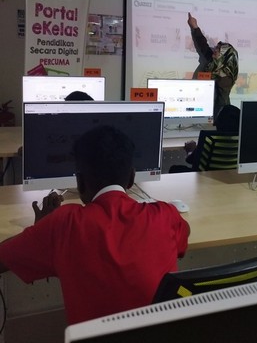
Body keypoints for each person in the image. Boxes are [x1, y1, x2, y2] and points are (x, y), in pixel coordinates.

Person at [0, 125, 190, 325]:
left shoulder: (63, 224)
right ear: (132, 178)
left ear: (80, 182)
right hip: (161, 335)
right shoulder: (165, 214)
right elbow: (183, 237)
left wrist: (40, 229)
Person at [187, 12, 239, 120]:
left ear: (225, 57)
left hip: (220, 115)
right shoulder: (214, 62)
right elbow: (203, 46)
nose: (214, 50)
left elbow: (218, 99)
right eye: (216, 47)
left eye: (218, 50)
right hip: (203, 109)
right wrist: (195, 27)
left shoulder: (226, 77)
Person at [169, 104, 240, 173]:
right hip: (229, 177)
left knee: (174, 169)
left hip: (204, 178)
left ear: (217, 123)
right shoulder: (240, 143)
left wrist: (191, 150)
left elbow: (189, 160)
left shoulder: (210, 141)